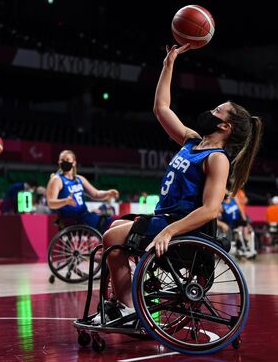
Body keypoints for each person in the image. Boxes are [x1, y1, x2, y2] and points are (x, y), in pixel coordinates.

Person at [96, 43, 262, 323]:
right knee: (114, 228)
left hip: (181, 226)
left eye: (218, 110)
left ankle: (129, 309)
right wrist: (168, 63)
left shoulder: (217, 158)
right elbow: (161, 108)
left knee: (111, 238)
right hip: (165, 217)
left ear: (225, 127)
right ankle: (125, 297)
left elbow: (211, 210)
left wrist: (168, 232)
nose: (211, 111)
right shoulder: (193, 141)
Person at [46, 150, 119, 232]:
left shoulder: (79, 179)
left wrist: (108, 193)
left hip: (84, 216)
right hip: (71, 219)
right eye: (62, 160)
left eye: (67, 160)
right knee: (111, 223)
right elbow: (51, 203)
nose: (64, 162)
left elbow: (95, 194)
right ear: (59, 162)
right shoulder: (57, 179)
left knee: (112, 222)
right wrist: (65, 201)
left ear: (74, 163)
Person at [217, 192, 257, 259]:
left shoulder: (234, 199)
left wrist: (245, 221)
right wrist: (222, 224)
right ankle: (239, 247)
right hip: (227, 225)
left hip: (237, 223)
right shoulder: (221, 205)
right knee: (234, 230)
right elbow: (214, 219)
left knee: (245, 228)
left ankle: (246, 247)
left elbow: (241, 210)